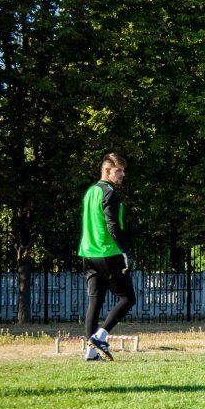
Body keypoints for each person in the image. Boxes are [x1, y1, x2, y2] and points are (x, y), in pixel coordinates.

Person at [78, 153, 135, 361]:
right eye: (119, 170)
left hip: (88, 253)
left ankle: (91, 353)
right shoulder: (109, 193)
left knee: (95, 301)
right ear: (107, 170)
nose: (123, 174)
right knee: (127, 298)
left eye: (123, 170)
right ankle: (100, 337)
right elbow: (113, 226)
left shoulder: (90, 192)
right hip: (107, 252)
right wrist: (125, 252)